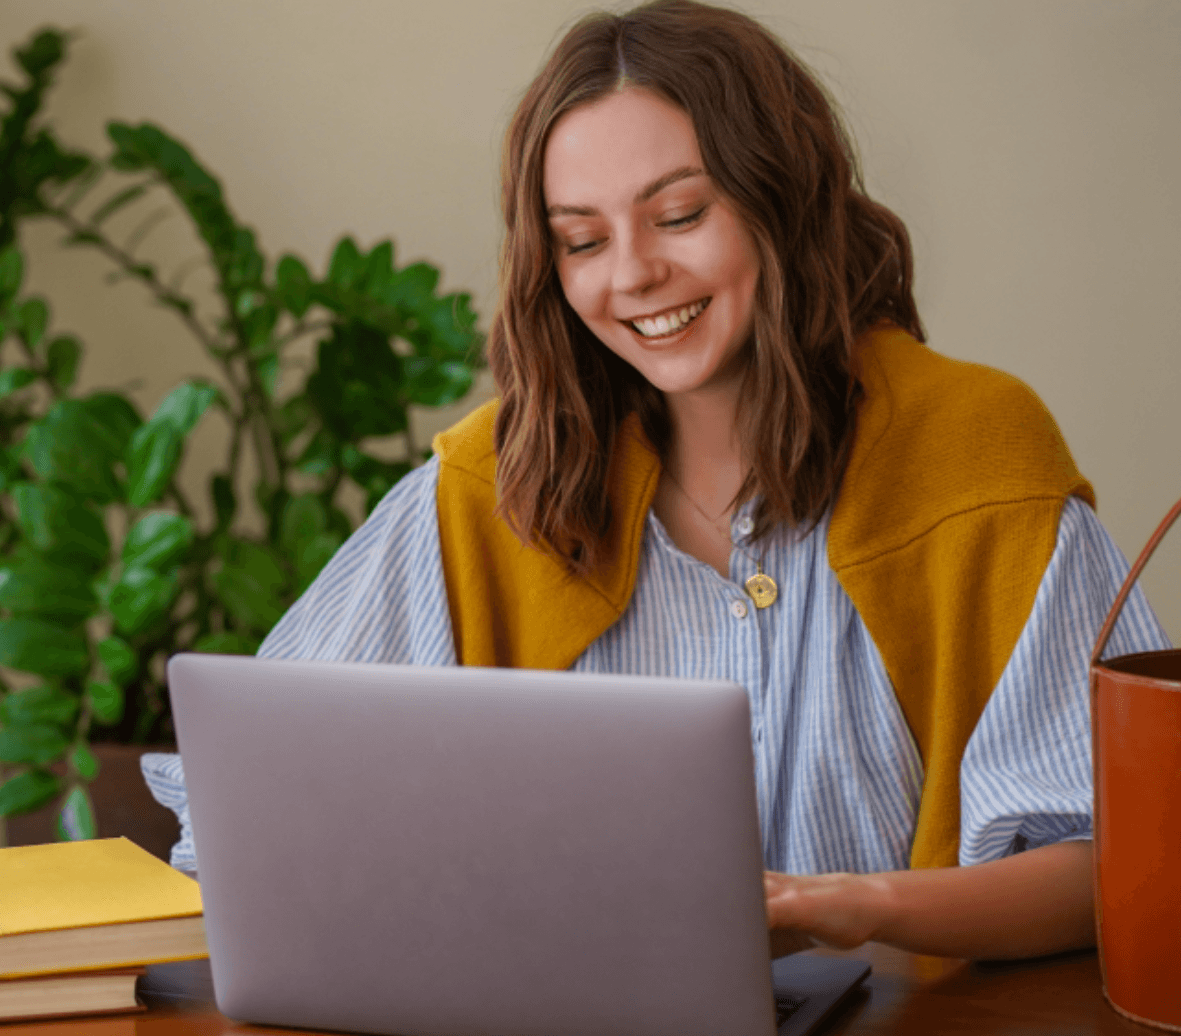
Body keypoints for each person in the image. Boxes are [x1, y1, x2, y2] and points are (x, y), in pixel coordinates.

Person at [248, 1, 1171, 959]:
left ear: (783, 197)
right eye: (583, 241)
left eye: (680, 214)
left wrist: (852, 906)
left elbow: (1115, 854)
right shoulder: (491, 484)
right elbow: (252, 800)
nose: (635, 273)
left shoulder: (977, 457)